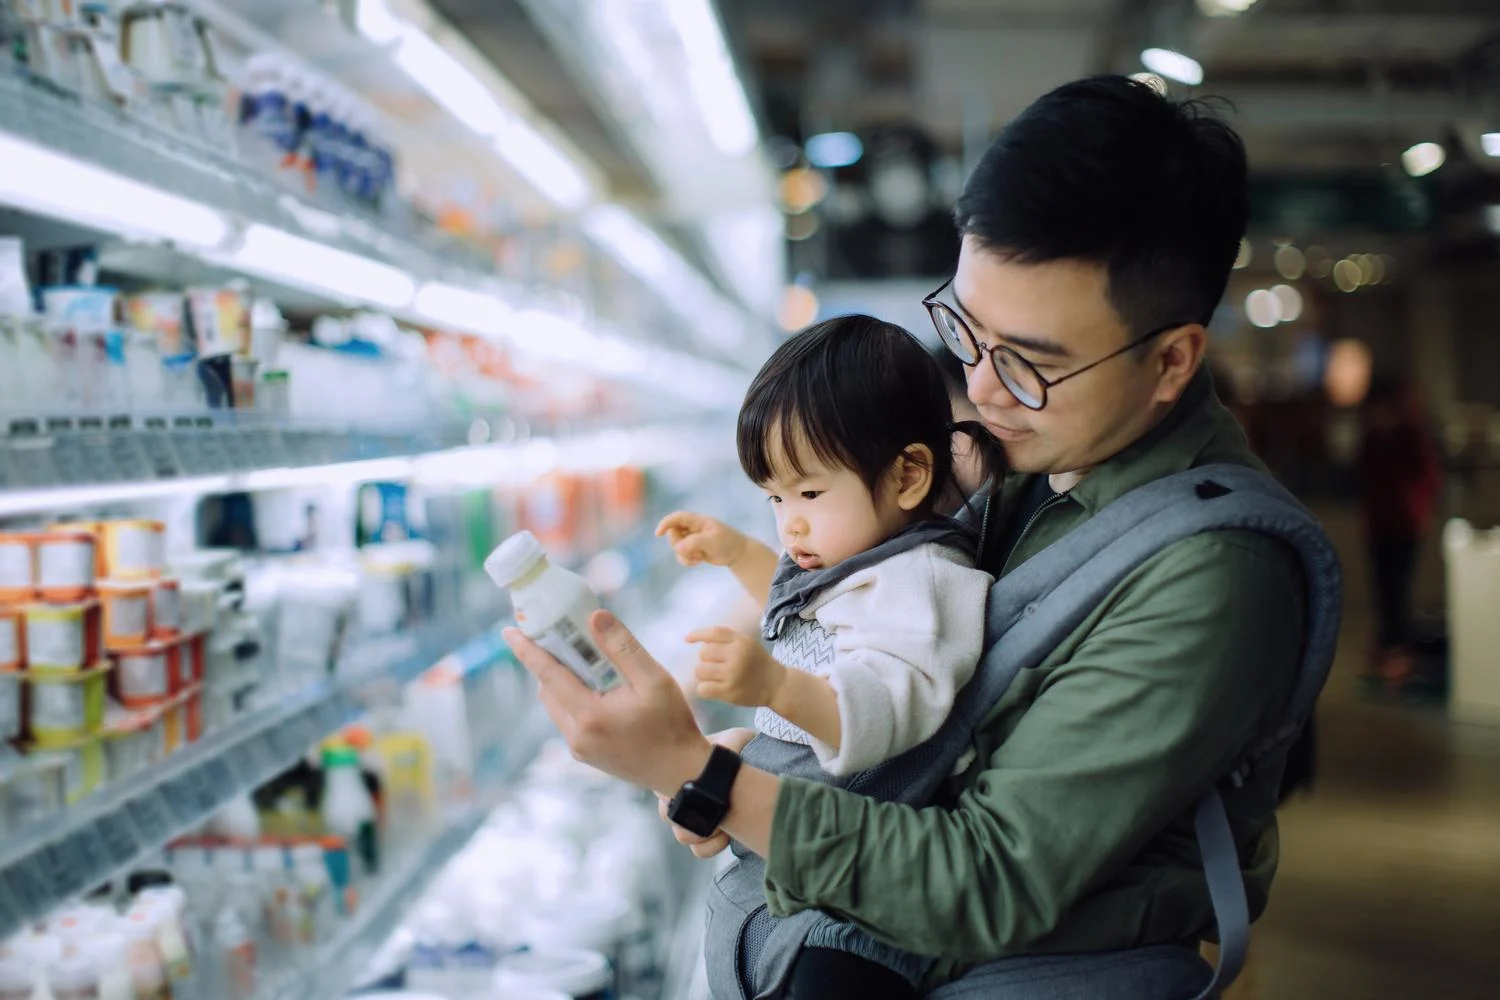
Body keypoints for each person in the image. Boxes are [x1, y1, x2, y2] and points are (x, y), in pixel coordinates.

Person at [504, 75, 1336, 998]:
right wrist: (759, 773)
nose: (979, 387)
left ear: (1171, 359)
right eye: (967, 332)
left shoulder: (1214, 575)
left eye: (1029, 362)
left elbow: (990, 878)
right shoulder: (1036, 467)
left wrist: (704, 778)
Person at [655, 315, 1002, 999]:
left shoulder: (923, 586)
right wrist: (735, 553)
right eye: (775, 499)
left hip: (851, 914)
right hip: (803, 867)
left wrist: (776, 686)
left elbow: (880, 712)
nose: (791, 523)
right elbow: (807, 614)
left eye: (810, 493)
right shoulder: (866, 559)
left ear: (908, 475)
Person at [1356, 376, 1442, 682]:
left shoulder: (1410, 435)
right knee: (1384, 588)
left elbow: (1428, 478)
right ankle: (1387, 646)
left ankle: (1397, 649)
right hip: (1379, 523)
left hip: (1404, 524)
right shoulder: (1372, 438)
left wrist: (1417, 512)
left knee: (1399, 588)